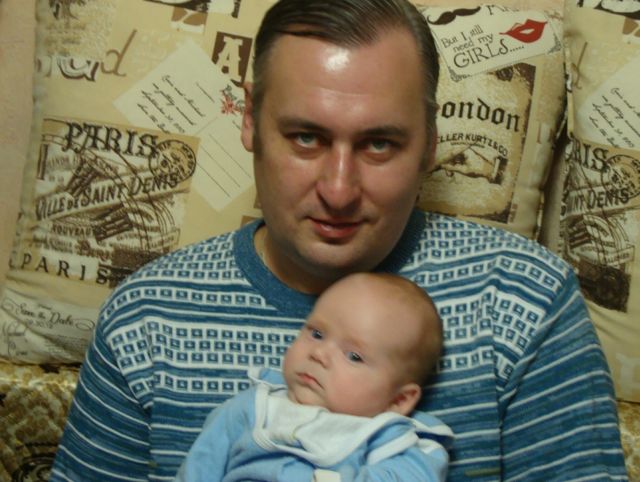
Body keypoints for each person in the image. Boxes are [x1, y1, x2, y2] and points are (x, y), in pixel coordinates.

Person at [51, 0, 627, 480]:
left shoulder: (523, 299)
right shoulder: (144, 318)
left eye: (379, 144)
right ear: (250, 120)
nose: (339, 189)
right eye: (306, 137)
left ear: (430, 143)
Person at [175, 273, 453, 482]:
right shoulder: (253, 408)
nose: (319, 353)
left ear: (398, 400)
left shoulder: (388, 436)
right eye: (317, 333)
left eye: (353, 356)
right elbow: (200, 468)